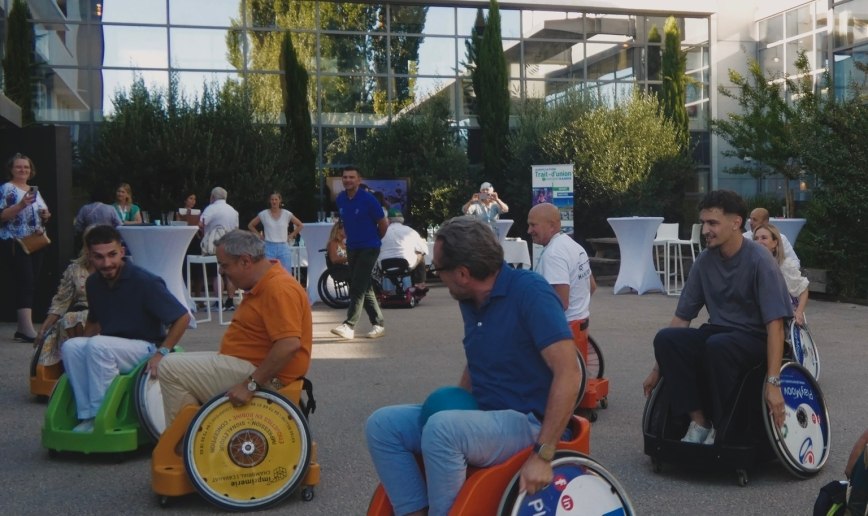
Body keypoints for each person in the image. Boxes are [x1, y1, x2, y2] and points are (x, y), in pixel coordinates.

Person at [365, 216, 580, 516]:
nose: (435, 275)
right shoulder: (471, 299)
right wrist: (455, 403)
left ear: (463, 273)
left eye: (439, 270)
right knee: (382, 425)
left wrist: (543, 454)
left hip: (529, 421)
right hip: (487, 415)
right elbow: (480, 357)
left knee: (443, 431)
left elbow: (570, 373)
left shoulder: (531, 293)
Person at [642, 190, 792, 446]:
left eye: (712, 223)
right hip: (720, 332)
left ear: (735, 223)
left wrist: (774, 382)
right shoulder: (704, 261)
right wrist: (658, 368)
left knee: (717, 345)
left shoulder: (759, 259)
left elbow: (775, 326)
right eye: (703, 223)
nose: (705, 230)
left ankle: (727, 426)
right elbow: (682, 317)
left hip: (755, 337)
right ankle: (700, 422)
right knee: (667, 339)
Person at [157, 229, 312, 425]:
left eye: (224, 265)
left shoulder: (278, 288)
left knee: (170, 367)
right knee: (176, 362)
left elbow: (288, 345)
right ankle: (194, 435)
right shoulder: (267, 282)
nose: (221, 271)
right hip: (248, 366)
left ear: (246, 261)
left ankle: (182, 443)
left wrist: (250, 384)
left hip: (266, 377)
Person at [60, 225, 190, 432]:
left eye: (112, 255)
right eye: (99, 257)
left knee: (98, 345)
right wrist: (81, 349)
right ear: (89, 256)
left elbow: (182, 317)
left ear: (122, 251)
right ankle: (86, 415)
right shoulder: (93, 283)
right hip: (111, 346)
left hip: (145, 346)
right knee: (71, 346)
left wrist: (162, 352)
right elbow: (94, 322)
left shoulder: (144, 281)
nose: (107, 263)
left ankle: (102, 416)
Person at [528, 203, 594, 354]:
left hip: (562, 328)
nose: (529, 230)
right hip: (581, 322)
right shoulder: (574, 246)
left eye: (533, 225)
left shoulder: (553, 254)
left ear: (551, 226)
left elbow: (560, 302)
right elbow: (592, 286)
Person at [330, 167, 388, 340]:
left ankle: (349, 325)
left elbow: (383, 224)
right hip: (352, 247)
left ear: (359, 180)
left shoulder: (369, 200)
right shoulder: (340, 199)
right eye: (345, 177)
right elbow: (345, 223)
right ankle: (378, 324)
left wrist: (375, 239)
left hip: (369, 247)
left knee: (357, 285)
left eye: (351, 177)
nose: (348, 180)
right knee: (364, 285)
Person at [0, 153, 52, 342]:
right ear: (11, 170)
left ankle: (22, 329)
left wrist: (45, 215)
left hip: (36, 241)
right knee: (25, 282)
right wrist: (21, 204)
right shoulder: (7, 189)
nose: (23, 170)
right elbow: (2, 215)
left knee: (31, 282)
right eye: (19, 167)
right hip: (16, 241)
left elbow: (40, 213)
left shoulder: (33, 190)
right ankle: (27, 328)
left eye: (26, 167)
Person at [34, 237, 95, 369]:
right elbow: (61, 301)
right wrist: (44, 328)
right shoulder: (75, 269)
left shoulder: (114, 269)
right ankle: (74, 364)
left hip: (106, 314)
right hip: (80, 312)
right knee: (71, 319)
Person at [753, 223, 810, 327]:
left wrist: (799, 312)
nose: (759, 242)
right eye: (756, 238)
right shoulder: (749, 266)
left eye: (764, 238)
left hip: (780, 321)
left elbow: (803, 290)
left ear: (775, 243)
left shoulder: (784, 266)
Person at [199, 186, 239, 310]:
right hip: (231, 244)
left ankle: (218, 302)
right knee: (229, 272)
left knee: (217, 272)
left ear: (212, 197)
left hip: (215, 245)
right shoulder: (233, 210)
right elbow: (236, 228)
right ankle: (230, 301)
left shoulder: (211, 209)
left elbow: (201, 224)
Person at [247, 192, 304, 275]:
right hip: (269, 247)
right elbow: (250, 225)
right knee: (268, 273)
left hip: (283, 247)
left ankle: (286, 288)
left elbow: (300, 225)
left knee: (286, 274)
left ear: (280, 201)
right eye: (272, 199)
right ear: (269, 201)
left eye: (276, 199)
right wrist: (260, 236)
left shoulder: (286, 214)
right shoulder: (264, 214)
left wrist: (291, 235)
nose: (274, 202)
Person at [379, 207, 428, 291]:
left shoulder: (381, 232)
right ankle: (420, 284)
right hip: (405, 264)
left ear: (388, 220)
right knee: (421, 253)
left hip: (384, 265)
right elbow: (424, 249)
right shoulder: (410, 231)